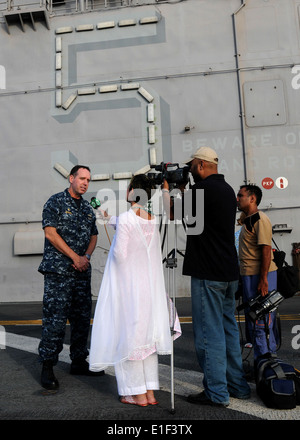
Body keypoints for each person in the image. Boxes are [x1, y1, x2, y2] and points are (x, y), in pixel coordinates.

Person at [162, 146, 250, 407]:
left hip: (207, 273)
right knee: (228, 331)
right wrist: (183, 191)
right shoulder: (226, 190)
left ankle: (217, 393)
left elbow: (173, 214)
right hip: (228, 272)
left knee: (208, 335)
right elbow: (196, 218)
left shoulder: (202, 190)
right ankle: (238, 386)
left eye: (191, 167)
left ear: (201, 165)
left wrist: (167, 189)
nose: (189, 171)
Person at [89, 174, 181, 407]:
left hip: (129, 291)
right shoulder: (150, 219)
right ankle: (149, 392)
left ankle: (135, 393)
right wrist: (106, 217)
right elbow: (119, 223)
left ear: (132, 191)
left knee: (128, 340)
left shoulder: (128, 219)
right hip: (149, 291)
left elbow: (120, 255)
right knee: (147, 342)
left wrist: (116, 243)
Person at [38, 165, 103, 391]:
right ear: (71, 178)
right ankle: (47, 366)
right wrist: (75, 257)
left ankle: (78, 361)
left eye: (88, 180)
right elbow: (50, 233)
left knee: (81, 319)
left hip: (81, 273)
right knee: (55, 321)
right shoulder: (55, 202)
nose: (85, 182)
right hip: (59, 273)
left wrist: (85, 256)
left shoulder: (87, 209)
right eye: (82, 178)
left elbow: (94, 236)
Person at [237, 184, 278, 359]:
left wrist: (263, 280)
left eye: (240, 196)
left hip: (260, 276)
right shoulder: (248, 219)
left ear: (252, 198)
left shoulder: (261, 219)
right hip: (248, 276)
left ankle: (267, 363)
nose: (237, 199)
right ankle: (261, 364)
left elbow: (266, 250)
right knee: (253, 321)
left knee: (262, 321)